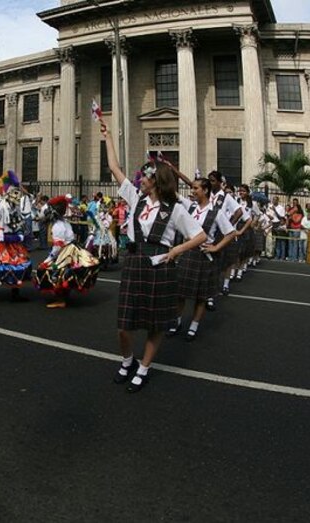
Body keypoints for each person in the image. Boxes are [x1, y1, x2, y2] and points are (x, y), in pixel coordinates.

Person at [101, 119, 205, 393]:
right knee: (124, 325)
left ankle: (144, 367)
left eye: (145, 176)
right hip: (135, 264)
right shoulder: (136, 199)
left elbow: (200, 236)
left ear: (156, 180)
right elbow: (114, 168)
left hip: (160, 268)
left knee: (155, 324)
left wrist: (176, 250)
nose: (140, 179)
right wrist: (108, 136)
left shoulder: (177, 209)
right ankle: (127, 360)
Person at [168, 178, 235, 341]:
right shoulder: (190, 208)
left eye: (195, 188)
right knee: (180, 292)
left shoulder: (216, 212)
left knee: (201, 295)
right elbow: (173, 195)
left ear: (205, 190)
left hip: (205, 257)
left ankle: (194, 325)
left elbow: (231, 233)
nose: (192, 191)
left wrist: (216, 247)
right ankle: (176, 321)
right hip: (189, 254)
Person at [34, 195, 100, 309]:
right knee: (66, 273)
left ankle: (61, 299)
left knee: (54, 272)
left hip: (65, 252)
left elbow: (57, 247)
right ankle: (64, 296)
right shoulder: (64, 222)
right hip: (72, 249)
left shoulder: (57, 226)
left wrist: (47, 260)